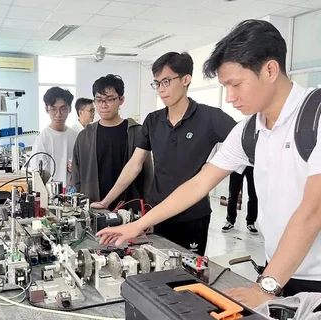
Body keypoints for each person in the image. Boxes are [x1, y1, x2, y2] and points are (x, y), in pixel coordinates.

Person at [97, 19, 321, 307]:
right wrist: (137, 225)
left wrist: (266, 287)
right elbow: (199, 183)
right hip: (279, 270)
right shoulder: (249, 130)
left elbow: (313, 211)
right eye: (225, 86)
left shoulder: (314, 119)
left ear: (270, 70)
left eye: (236, 84)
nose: (230, 97)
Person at [92, 52, 237, 256]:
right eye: (157, 83)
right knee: (156, 265)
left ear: (186, 79)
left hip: (192, 215)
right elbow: (134, 165)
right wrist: (106, 202)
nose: (161, 89)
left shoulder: (211, 117)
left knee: (188, 272)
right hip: (157, 212)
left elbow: (243, 144)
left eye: (166, 82)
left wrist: (214, 167)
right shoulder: (153, 120)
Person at [72, 74, 153, 212]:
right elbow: (77, 176)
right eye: (99, 100)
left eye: (109, 99)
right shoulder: (85, 136)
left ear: (121, 100)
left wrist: (147, 207)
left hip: (129, 208)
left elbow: (148, 176)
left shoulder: (136, 132)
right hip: (94, 207)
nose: (103, 105)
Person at [31, 87, 78, 187]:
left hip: (72, 194)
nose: (58, 114)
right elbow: (37, 174)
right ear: (47, 109)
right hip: (50, 195)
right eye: (53, 109)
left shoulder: (75, 136)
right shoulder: (43, 138)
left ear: (69, 109)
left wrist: (77, 168)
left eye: (63, 109)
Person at [223, 166, 258, 234]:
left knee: (253, 195)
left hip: (252, 164)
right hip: (238, 163)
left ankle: (251, 223)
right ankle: (230, 221)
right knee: (233, 194)